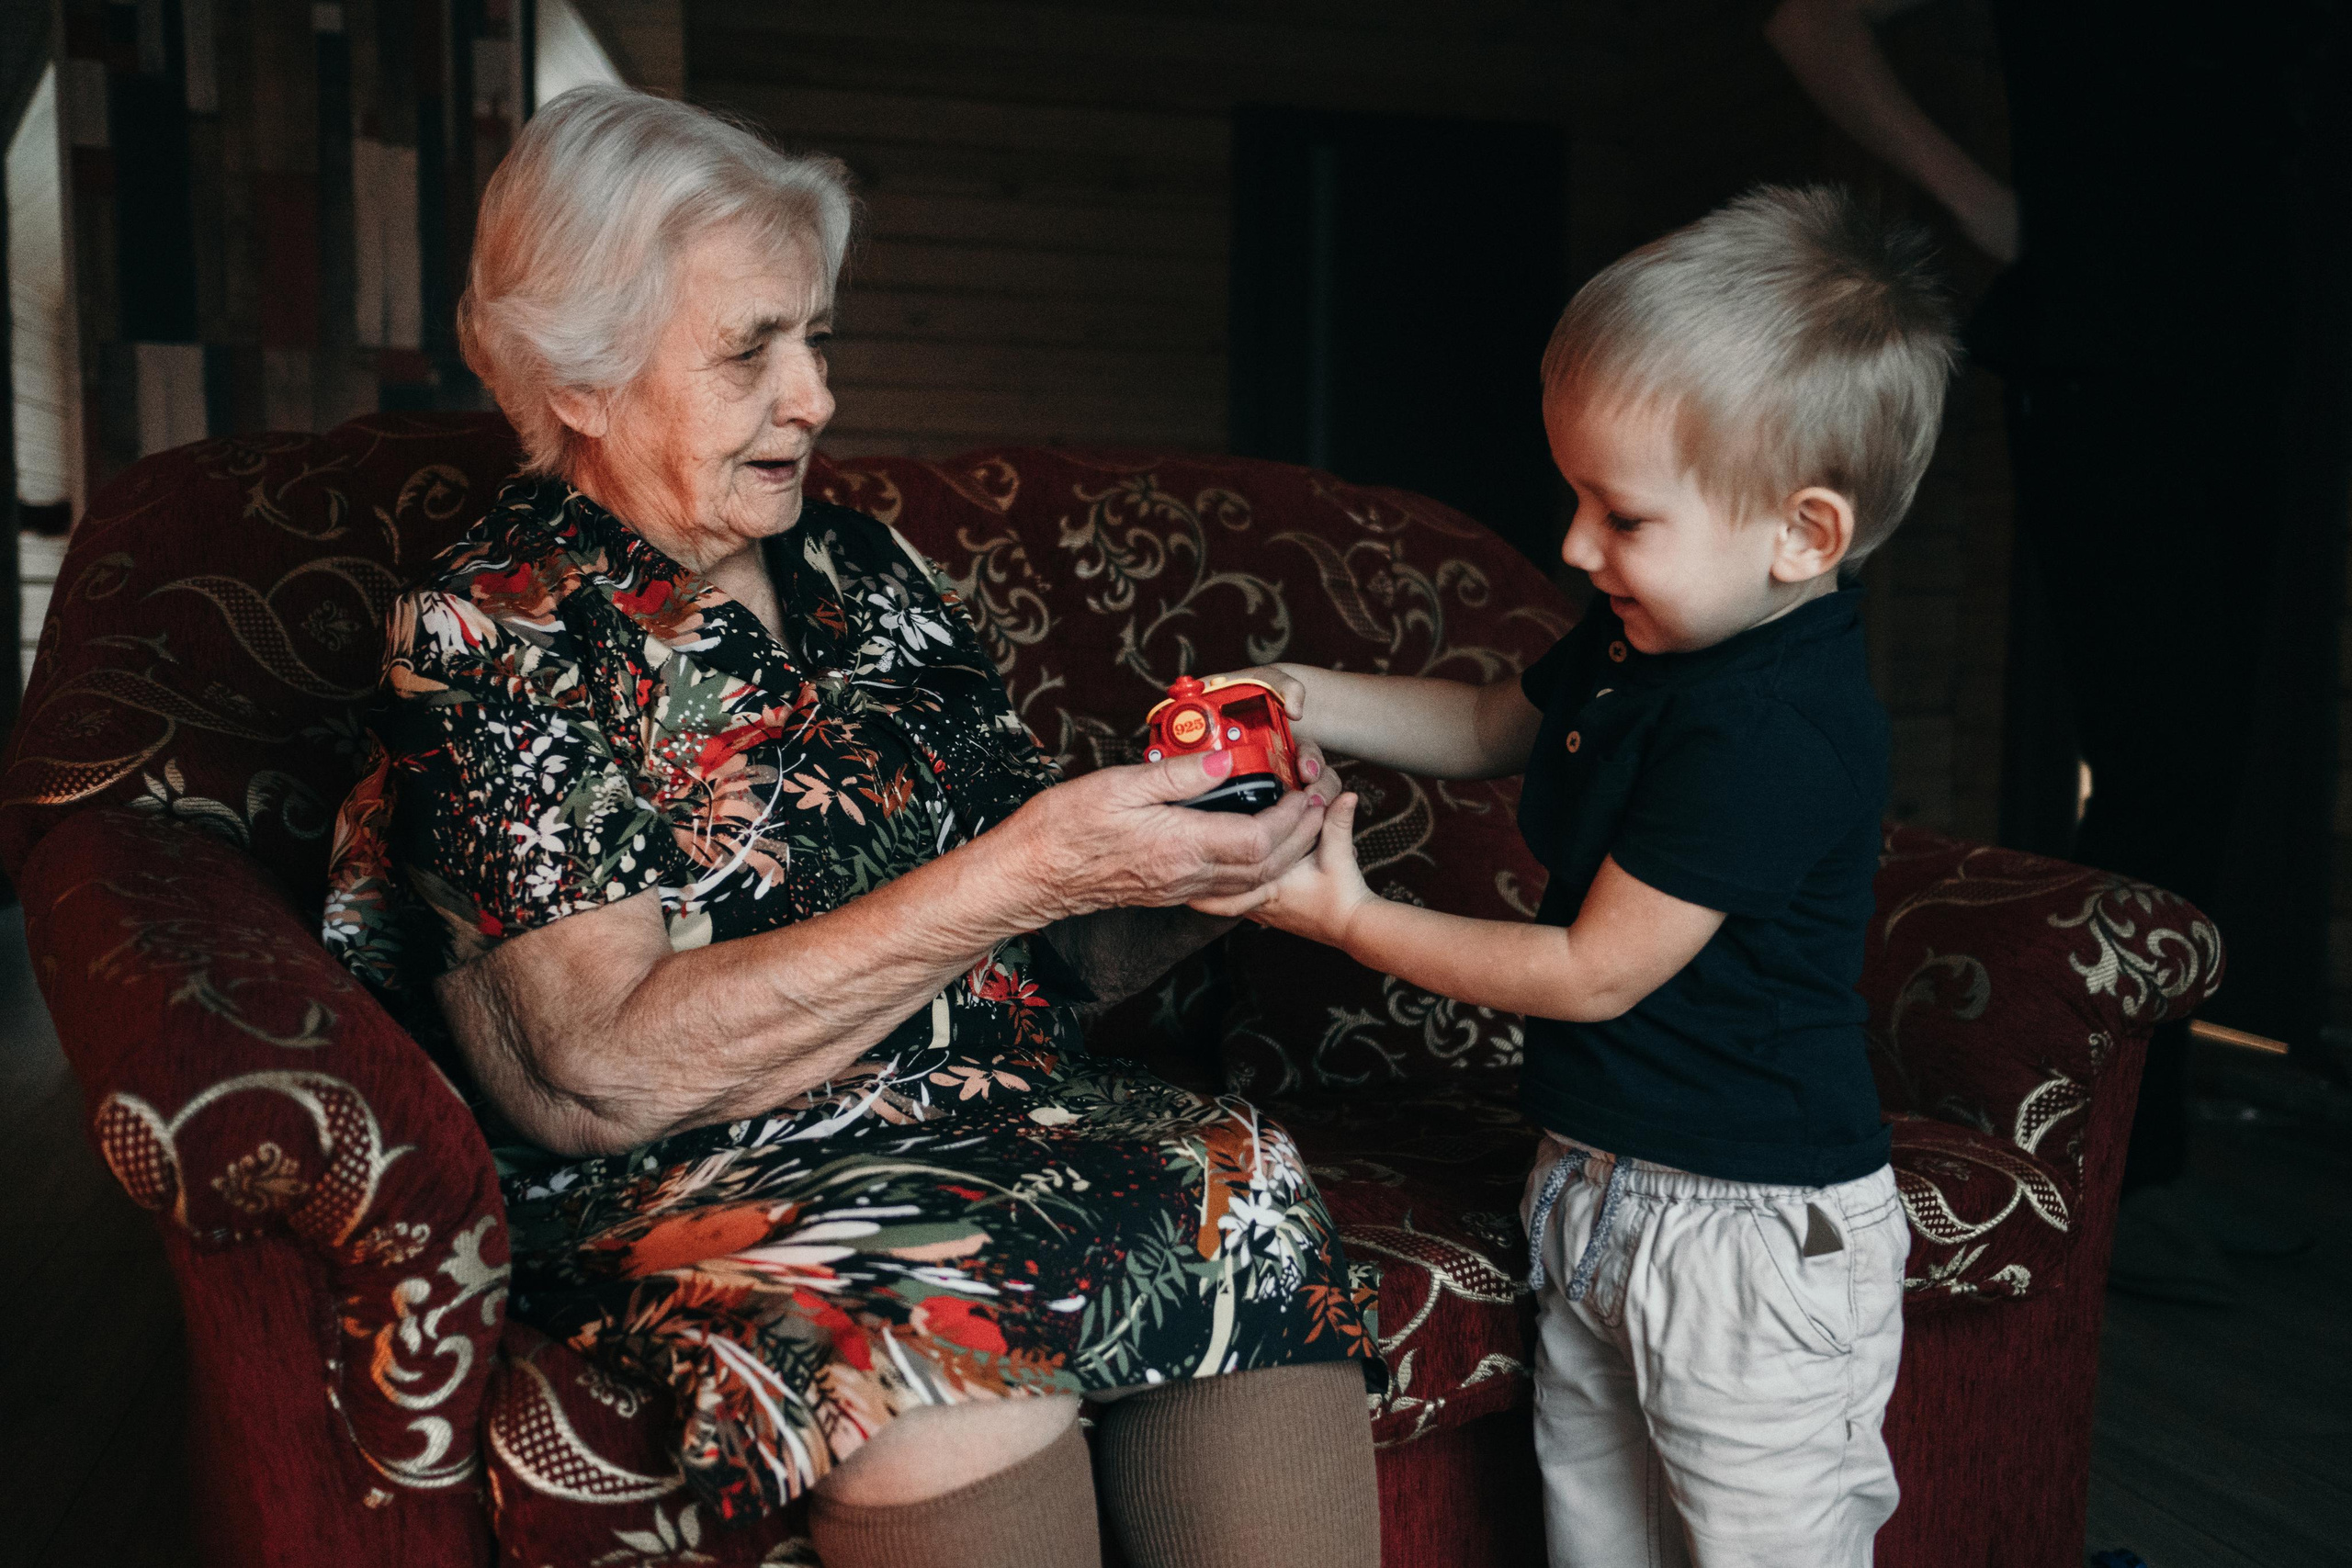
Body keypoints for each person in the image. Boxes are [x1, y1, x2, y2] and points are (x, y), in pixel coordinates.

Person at [321, 85, 1382, 1568]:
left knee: (1235, 1190)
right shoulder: (496, 633)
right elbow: (596, 1073)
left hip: (1001, 1115)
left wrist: (1200, 866)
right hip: (714, 1174)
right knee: (948, 1364)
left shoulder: (861, 566)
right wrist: (1026, 865)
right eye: (751, 348)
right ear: (584, 380)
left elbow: (1047, 961)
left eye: (814, 337)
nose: (814, 395)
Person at [1199, 186, 1955, 1566]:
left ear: (1805, 535)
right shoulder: (1643, 637)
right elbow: (1497, 723)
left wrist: (1351, 919)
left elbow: (1592, 973)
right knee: (1597, 1542)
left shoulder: (1775, 730)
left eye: (1624, 514)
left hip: (1748, 1233)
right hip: (1597, 1179)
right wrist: (1307, 693)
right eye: (1577, 499)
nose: (1574, 545)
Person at [1765, 0, 2349, 1304]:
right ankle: (2110, 1178)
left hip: (2248, 344)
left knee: (2208, 769)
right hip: (2112, 347)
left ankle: (2152, 1168)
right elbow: (1814, 24)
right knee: (2159, 757)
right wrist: (1991, 210)